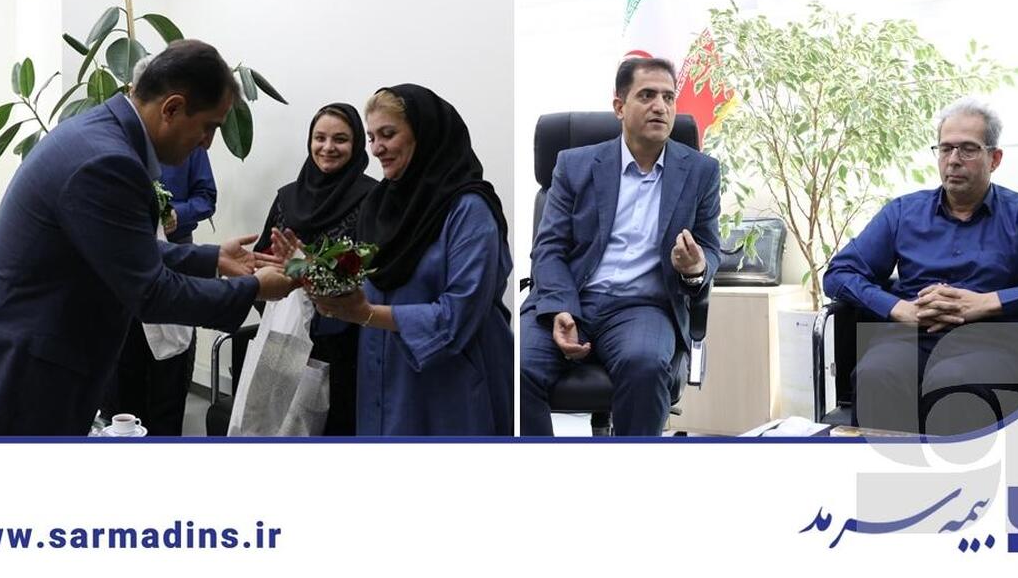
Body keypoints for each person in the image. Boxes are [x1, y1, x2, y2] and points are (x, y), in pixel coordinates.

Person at [0, 40, 295, 436]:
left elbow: (116, 247)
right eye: (209, 127)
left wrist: (211, 257)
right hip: (20, 370)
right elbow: (152, 293)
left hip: (21, 352)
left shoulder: (98, 134)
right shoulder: (108, 161)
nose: (207, 142)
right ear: (172, 108)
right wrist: (254, 288)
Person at [823, 98, 1018, 435]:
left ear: (994, 158)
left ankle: (963, 470)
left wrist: (988, 302)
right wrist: (899, 308)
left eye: (967, 149)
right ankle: (880, 467)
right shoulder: (903, 213)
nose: (953, 159)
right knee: (876, 373)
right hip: (910, 336)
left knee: (953, 382)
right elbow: (839, 273)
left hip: (993, 340)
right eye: (945, 148)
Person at [520, 58, 721, 436]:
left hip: (642, 307)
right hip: (570, 296)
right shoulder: (574, 165)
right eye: (646, 95)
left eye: (668, 97)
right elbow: (548, 249)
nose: (660, 106)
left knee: (645, 365)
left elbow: (710, 247)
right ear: (619, 106)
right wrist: (562, 307)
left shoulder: (700, 171)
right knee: (513, 368)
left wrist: (695, 268)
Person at [299, 85, 513, 436]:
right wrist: (315, 277)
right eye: (372, 137)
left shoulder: (469, 210)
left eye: (388, 134)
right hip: (381, 374)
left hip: (449, 381)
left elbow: (458, 315)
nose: (376, 148)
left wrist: (365, 313)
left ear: (424, 134)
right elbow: (359, 287)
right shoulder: (378, 204)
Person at [256, 103, 378, 435]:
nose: (327, 147)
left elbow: (371, 271)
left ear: (356, 145)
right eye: (319, 138)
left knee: (331, 428)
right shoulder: (287, 197)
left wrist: (307, 270)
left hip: (344, 345)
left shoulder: (372, 198)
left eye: (340, 139)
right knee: (276, 424)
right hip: (284, 337)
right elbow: (262, 258)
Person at [102, 143, 218, 437]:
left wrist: (178, 213)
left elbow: (206, 197)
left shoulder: (188, 138)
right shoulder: (116, 142)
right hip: (126, 265)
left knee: (171, 371)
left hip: (176, 263)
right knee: (124, 367)